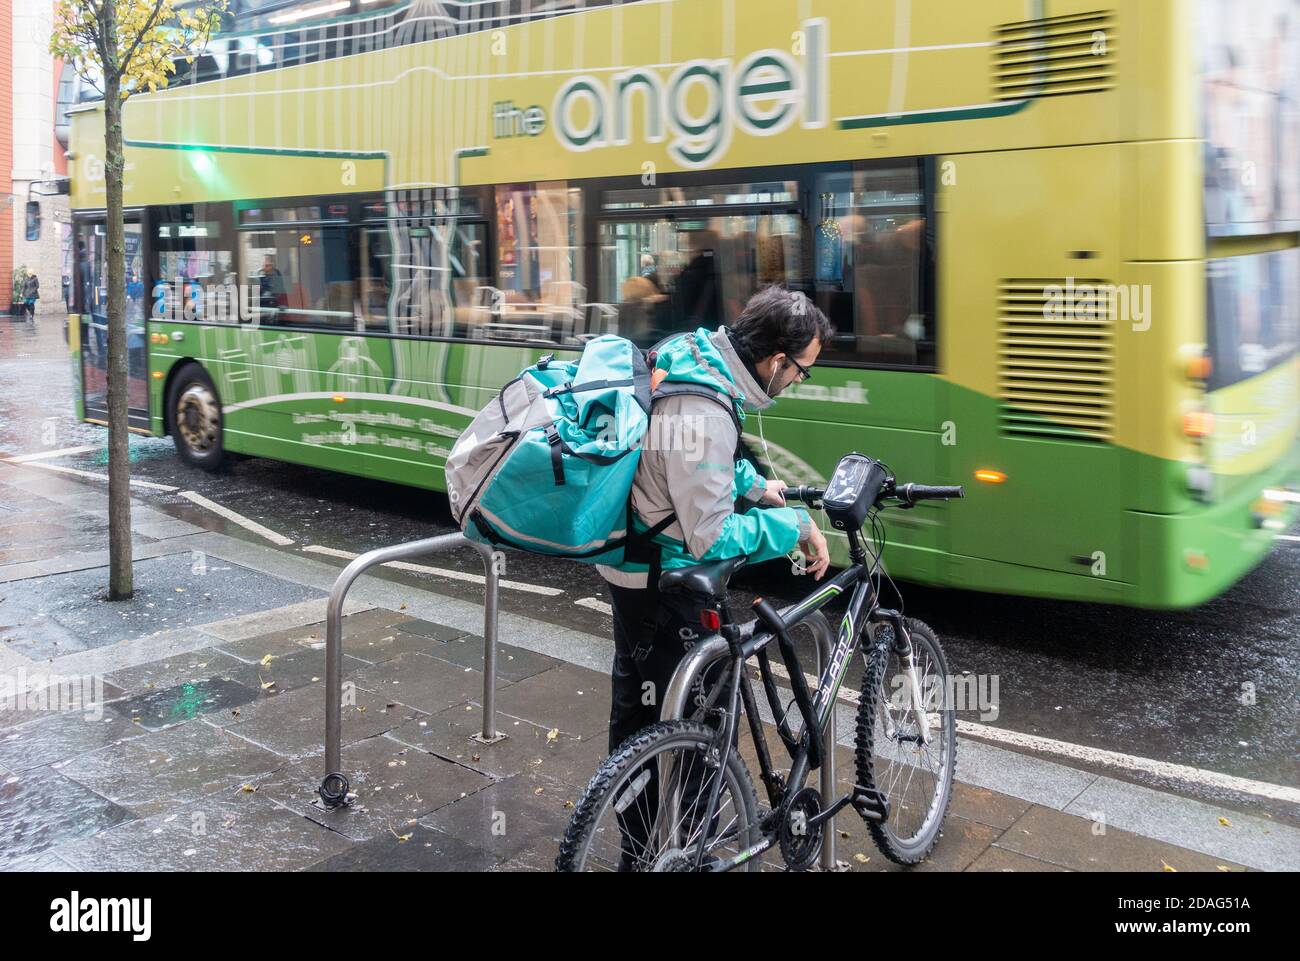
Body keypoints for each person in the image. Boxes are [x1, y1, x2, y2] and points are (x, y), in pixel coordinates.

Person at [595, 285, 832, 866]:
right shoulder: (702, 408)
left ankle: (647, 844)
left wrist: (756, 487)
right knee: (693, 722)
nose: (798, 381)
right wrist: (793, 525)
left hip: (634, 563)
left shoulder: (696, 352)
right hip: (663, 580)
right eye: (802, 371)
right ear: (777, 360)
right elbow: (711, 534)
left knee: (645, 710)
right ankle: (676, 851)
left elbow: (699, 463)